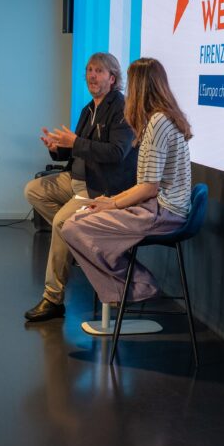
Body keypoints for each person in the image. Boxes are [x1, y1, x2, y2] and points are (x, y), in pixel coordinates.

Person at [62, 58, 193, 305]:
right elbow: (147, 184)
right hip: (158, 207)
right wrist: (111, 200)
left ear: (140, 87)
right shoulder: (161, 119)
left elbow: (149, 187)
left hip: (163, 212)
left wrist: (112, 204)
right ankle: (129, 288)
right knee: (79, 220)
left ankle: (138, 286)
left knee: (73, 227)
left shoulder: (157, 123)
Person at [23, 52, 137, 322]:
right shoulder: (88, 109)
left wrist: (75, 142)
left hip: (99, 187)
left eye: (99, 71)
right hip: (76, 179)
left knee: (62, 222)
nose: (91, 76)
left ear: (112, 78)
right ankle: (78, 241)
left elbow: (116, 152)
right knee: (34, 190)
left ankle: (53, 299)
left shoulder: (121, 108)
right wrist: (57, 148)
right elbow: (77, 150)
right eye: (89, 70)